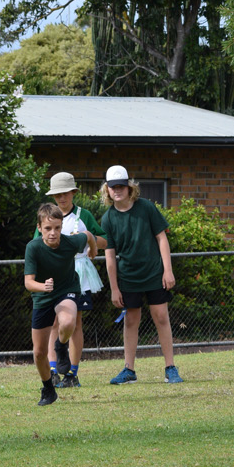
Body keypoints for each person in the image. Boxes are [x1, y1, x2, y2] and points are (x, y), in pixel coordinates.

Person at [100, 165, 183, 385]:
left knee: (161, 317)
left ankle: (170, 368)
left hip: (154, 273)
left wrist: (168, 270)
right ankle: (129, 370)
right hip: (128, 277)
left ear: (129, 187)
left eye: (121, 186)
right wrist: (114, 288)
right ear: (107, 190)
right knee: (130, 320)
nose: (117, 190)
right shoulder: (107, 219)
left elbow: (162, 238)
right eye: (113, 187)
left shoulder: (146, 207)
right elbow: (110, 256)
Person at [36, 172, 105, 387]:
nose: (61, 198)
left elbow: (104, 240)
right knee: (53, 322)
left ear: (74, 192)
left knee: (75, 323)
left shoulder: (84, 215)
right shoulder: (47, 217)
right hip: (54, 273)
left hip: (79, 273)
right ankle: (53, 370)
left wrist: (88, 242)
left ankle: (72, 373)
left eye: (65, 193)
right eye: (57, 194)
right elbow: (37, 245)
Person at [25, 203, 97, 405]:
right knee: (39, 353)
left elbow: (88, 235)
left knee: (67, 322)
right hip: (42, 297)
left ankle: (61, 345)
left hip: (67, 290)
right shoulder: (33, 248)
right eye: (48, 228)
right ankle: (48, 389)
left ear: (61, 226)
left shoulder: (71, 242)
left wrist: (93, 249)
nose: (53, 233)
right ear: (39, 228)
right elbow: (28, 282)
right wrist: (43, 286)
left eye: (57, 228)